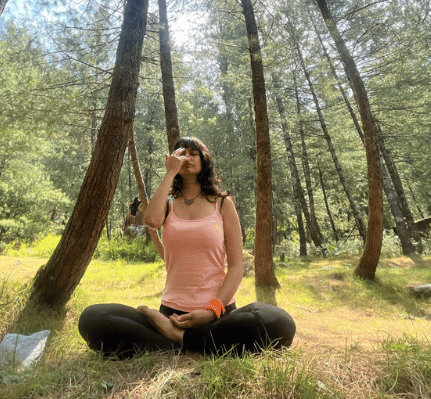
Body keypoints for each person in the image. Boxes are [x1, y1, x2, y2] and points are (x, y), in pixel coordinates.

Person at [78, 137, 296, 358]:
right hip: (172, 314)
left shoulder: (222, 203)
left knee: (280, 322)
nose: (187, 158)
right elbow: (151, 221)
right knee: (93, 317)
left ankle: (177, 339)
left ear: (204, 159)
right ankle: (192, 341)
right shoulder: (169, 204)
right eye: (181, 154)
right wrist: (170, 173)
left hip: (218, 316)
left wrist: (212, 311)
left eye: (193, 153)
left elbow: (237, 267)